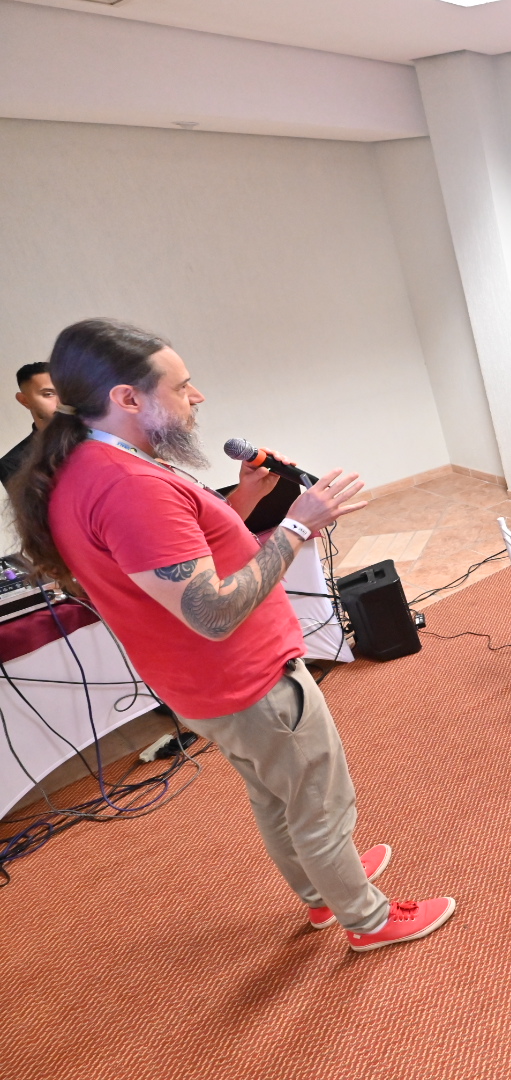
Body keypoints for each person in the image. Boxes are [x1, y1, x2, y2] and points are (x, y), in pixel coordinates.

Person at [9, 318, 455, 950]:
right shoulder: (129, 486)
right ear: (127, 398)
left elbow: (182, 559)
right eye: (181, 386)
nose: (197, 396)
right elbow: (211, 612)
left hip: (201, 683)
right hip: (247, 679)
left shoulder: (87, 463)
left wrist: (240, 503)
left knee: (276, 795)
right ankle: (369, 919)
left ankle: (323, 894)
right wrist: (297, 527)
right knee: (318, 801)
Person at [0, 362, 58, 485]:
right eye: (49, 394)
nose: (62, 402)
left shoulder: (96, 438)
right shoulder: (14, 462)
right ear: (25, 400)